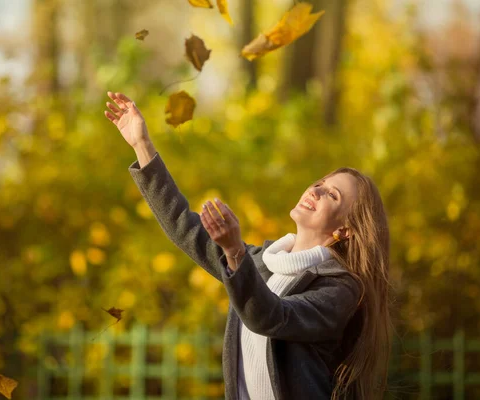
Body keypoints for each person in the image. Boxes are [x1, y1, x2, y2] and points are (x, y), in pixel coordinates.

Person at [104, 91, 393, 400]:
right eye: (320, 184)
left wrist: (234, 252)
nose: (316, 191)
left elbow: (271, 316)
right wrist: (141, 144)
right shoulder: (260, 263)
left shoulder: (340, 290)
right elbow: (181, 225)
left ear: (346, 230)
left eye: (332, 195)